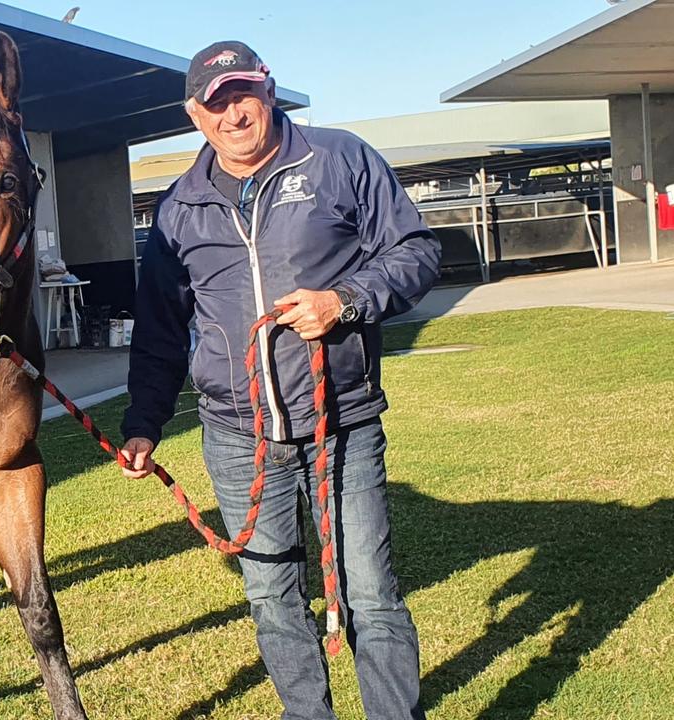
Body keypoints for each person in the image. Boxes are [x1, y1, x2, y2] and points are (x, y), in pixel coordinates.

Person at [119, 40, 440, 720]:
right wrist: (144, 424)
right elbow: (160, 332)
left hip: (342, 422)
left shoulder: (338, 159)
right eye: (216, 103)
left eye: (243, 95)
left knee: (370, 593)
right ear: (194, 115)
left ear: (269, 91)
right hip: (239, 439)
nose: (233, 114)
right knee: (271, 599)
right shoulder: (178, 210)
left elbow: (416, 252)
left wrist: (345, 300)